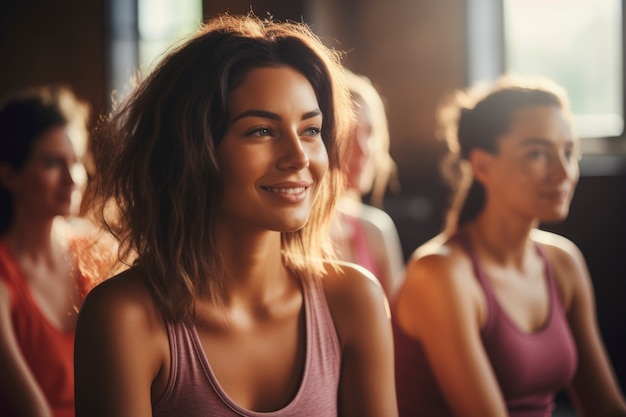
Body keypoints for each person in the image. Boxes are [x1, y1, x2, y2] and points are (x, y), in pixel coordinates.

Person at [74, 13, 397, 417]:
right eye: (262, 130)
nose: (299, 157)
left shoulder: (354, 301)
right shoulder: (125, 317)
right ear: (194, 150)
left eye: (311, 130)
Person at [393, 75, 626, 416]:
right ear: (482, 165)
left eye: (568, 151)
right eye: (537, 153)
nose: (563, 172)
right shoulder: (440, 273)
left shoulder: (563, 262)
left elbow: (604, 406)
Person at [0, 85, 94, 417]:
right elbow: (35, 410)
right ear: (9, 174)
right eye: (53, 163)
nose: (72, 178)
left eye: (77, 161)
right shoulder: (4, 276)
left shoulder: (99, 253)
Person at [331, 69, 405, 302]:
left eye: (370, 133)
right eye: (348, 134)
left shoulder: (376, 230)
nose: (363, 150)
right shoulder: (286, 236)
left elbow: (397, 331)